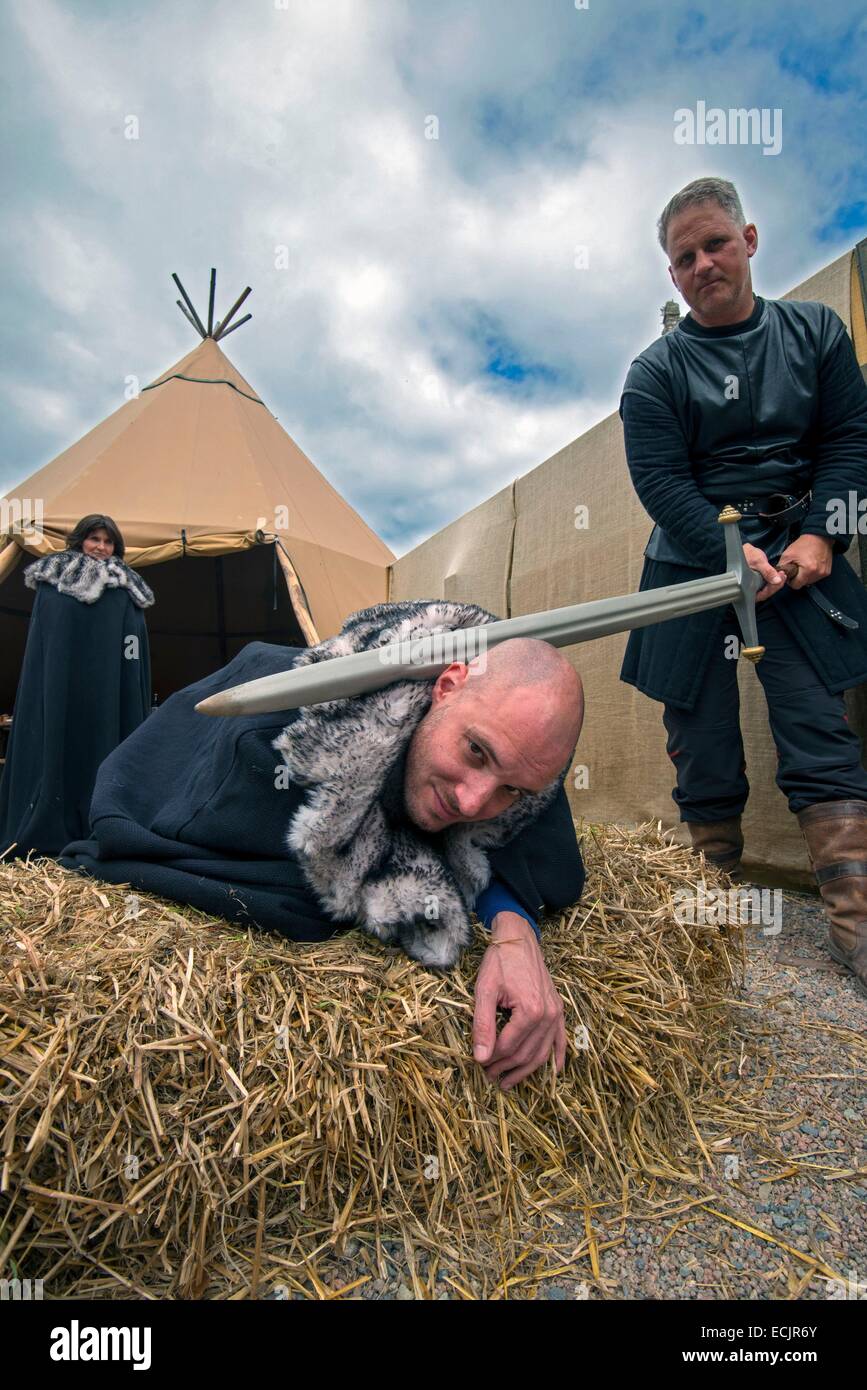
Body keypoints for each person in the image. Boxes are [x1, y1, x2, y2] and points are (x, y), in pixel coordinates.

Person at [60, 598, 586, 1090]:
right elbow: (134, 825)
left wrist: (515, 932)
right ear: (446, 686)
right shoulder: (275, 735)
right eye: (475, 752)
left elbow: (525, 839)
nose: (474, 803)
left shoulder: (520, 761)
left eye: (512, 789)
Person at [619, 176, 867, 993]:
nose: (702, 264)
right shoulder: (652, 373)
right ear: (671, 275)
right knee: (701, 735)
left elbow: (850, 442)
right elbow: (659, 480)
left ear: (749, 240)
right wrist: (728, 553)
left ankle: (854, 919)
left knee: (815, 725)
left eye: (714, 244)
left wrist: (821, 533)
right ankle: (714, 905)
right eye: (683, 257)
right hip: (693, 556)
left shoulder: (815, 333)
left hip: (798, 549)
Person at [0, 514, 154, 859]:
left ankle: (101, 820)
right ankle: (48, 823)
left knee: (103, 750)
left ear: (116, 546)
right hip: (61, 689)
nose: (100, 547)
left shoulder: (127, 588)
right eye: (94, 539)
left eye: (108, 541)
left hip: (106, 696)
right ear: (80, 540)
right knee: (59, 744)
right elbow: (47, 642)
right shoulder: (54, 581)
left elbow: (133, 652)